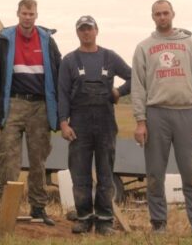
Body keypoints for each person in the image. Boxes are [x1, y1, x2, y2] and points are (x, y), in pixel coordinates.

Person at [131, 0, 192, 238]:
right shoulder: (144, 47)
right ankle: (158, 224)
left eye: (166, 13)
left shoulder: (189, 44)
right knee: (155, 172)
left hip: (186, 111)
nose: (162, 17)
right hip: (157, 113)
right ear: (152, 17)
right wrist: (140, 120)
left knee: (191, 172)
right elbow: (138, 86)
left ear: (173, 14)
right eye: (158, 14)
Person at [0, 0, 62, 225]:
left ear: (36, 15)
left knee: (39, 159)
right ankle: (4, 207)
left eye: (31, 14)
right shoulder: (5, 40)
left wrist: (57, 110)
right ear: (17, 14)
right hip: (13, 104)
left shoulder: (47, 41)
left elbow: (59, 74)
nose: (27, 18)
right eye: (24, 14)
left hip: (40, 105)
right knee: (9, 158)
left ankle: (38, 207)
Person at [58, 15, 132, 235]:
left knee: (105, 174)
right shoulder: (69, 61)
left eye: (89, 28)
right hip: (78, 124)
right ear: (77, 32)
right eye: (82, 29)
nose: (86, 32)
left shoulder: (109, 57)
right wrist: (63, 122)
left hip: (105, 124)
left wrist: (119, 91)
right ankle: (84, 217)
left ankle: (104, 220)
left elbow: (134, 77)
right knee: (79, 174)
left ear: (97, 30)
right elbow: (62, 93)